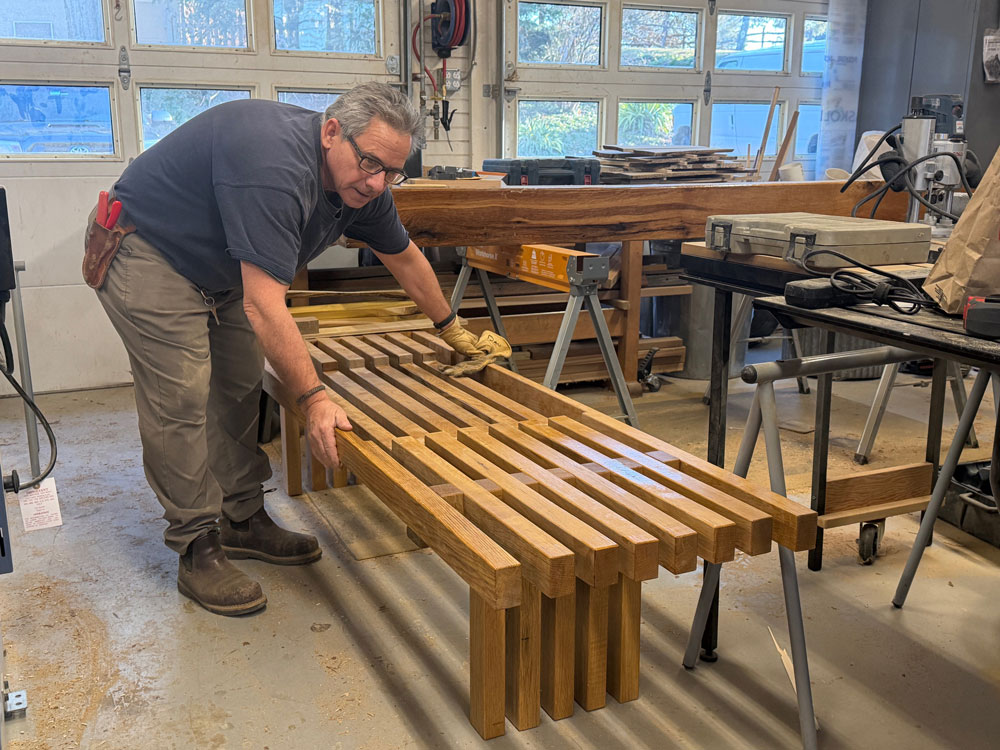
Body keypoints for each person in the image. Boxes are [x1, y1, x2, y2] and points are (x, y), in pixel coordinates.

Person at [87, 82, 507, 617]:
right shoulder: (276, 169)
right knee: (182, 398)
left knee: (238, 387)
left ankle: (242, 520)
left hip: (218, 272)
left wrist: (451, 327)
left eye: (392, 172)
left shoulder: (364, 186)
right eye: (370, 163)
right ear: (332, 132)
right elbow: (265, 306)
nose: (378, 183)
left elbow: (403, 257)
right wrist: (314, 399)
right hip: (148, 251)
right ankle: (196, 546)